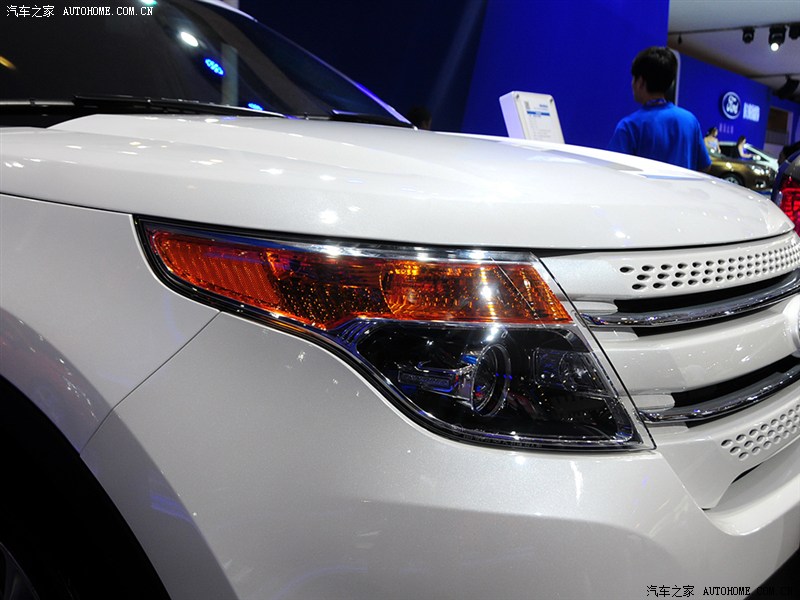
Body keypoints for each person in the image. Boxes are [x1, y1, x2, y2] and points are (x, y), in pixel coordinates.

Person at [608, 47, 711, 172]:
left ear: (640, 82)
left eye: (633, 78)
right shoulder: (690, 121)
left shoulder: (630, 126)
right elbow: (705, 166)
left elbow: (613, 172)